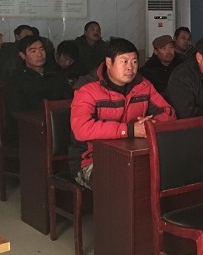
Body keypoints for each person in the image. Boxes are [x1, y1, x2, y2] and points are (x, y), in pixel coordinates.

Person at [69, 37, 175, 189]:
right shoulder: (88, 88)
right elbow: (81, 129)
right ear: (108, 62)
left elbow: (168, 112)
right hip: (92, 160)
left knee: (168, 172)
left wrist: (150, 125)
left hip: (134, 154)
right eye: (124, 61)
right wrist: (130, 129)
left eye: (134, 62)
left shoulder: (142, 85)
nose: (130, 67)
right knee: (124, 181)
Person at [4, 35, 73, 134]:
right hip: (31, 128)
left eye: (41, 49)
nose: (39, 54)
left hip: (60, 123)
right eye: (33, 51)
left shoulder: (55, 74)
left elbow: (69, 99)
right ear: (22, 55)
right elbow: (19, 111)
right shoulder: (15, 80)